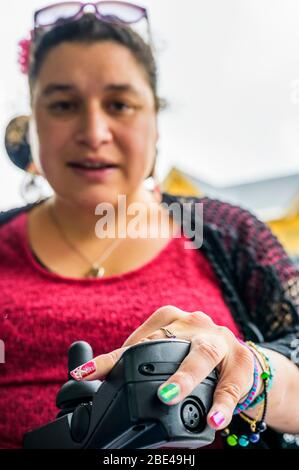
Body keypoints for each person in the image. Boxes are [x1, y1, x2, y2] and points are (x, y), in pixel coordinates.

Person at [1, 1, 299, 450]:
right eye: (63, 104)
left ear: (154, 123)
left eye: (119, 103)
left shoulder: (226, 232)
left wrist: (253, 374)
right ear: (32, 126)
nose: (94, 130)